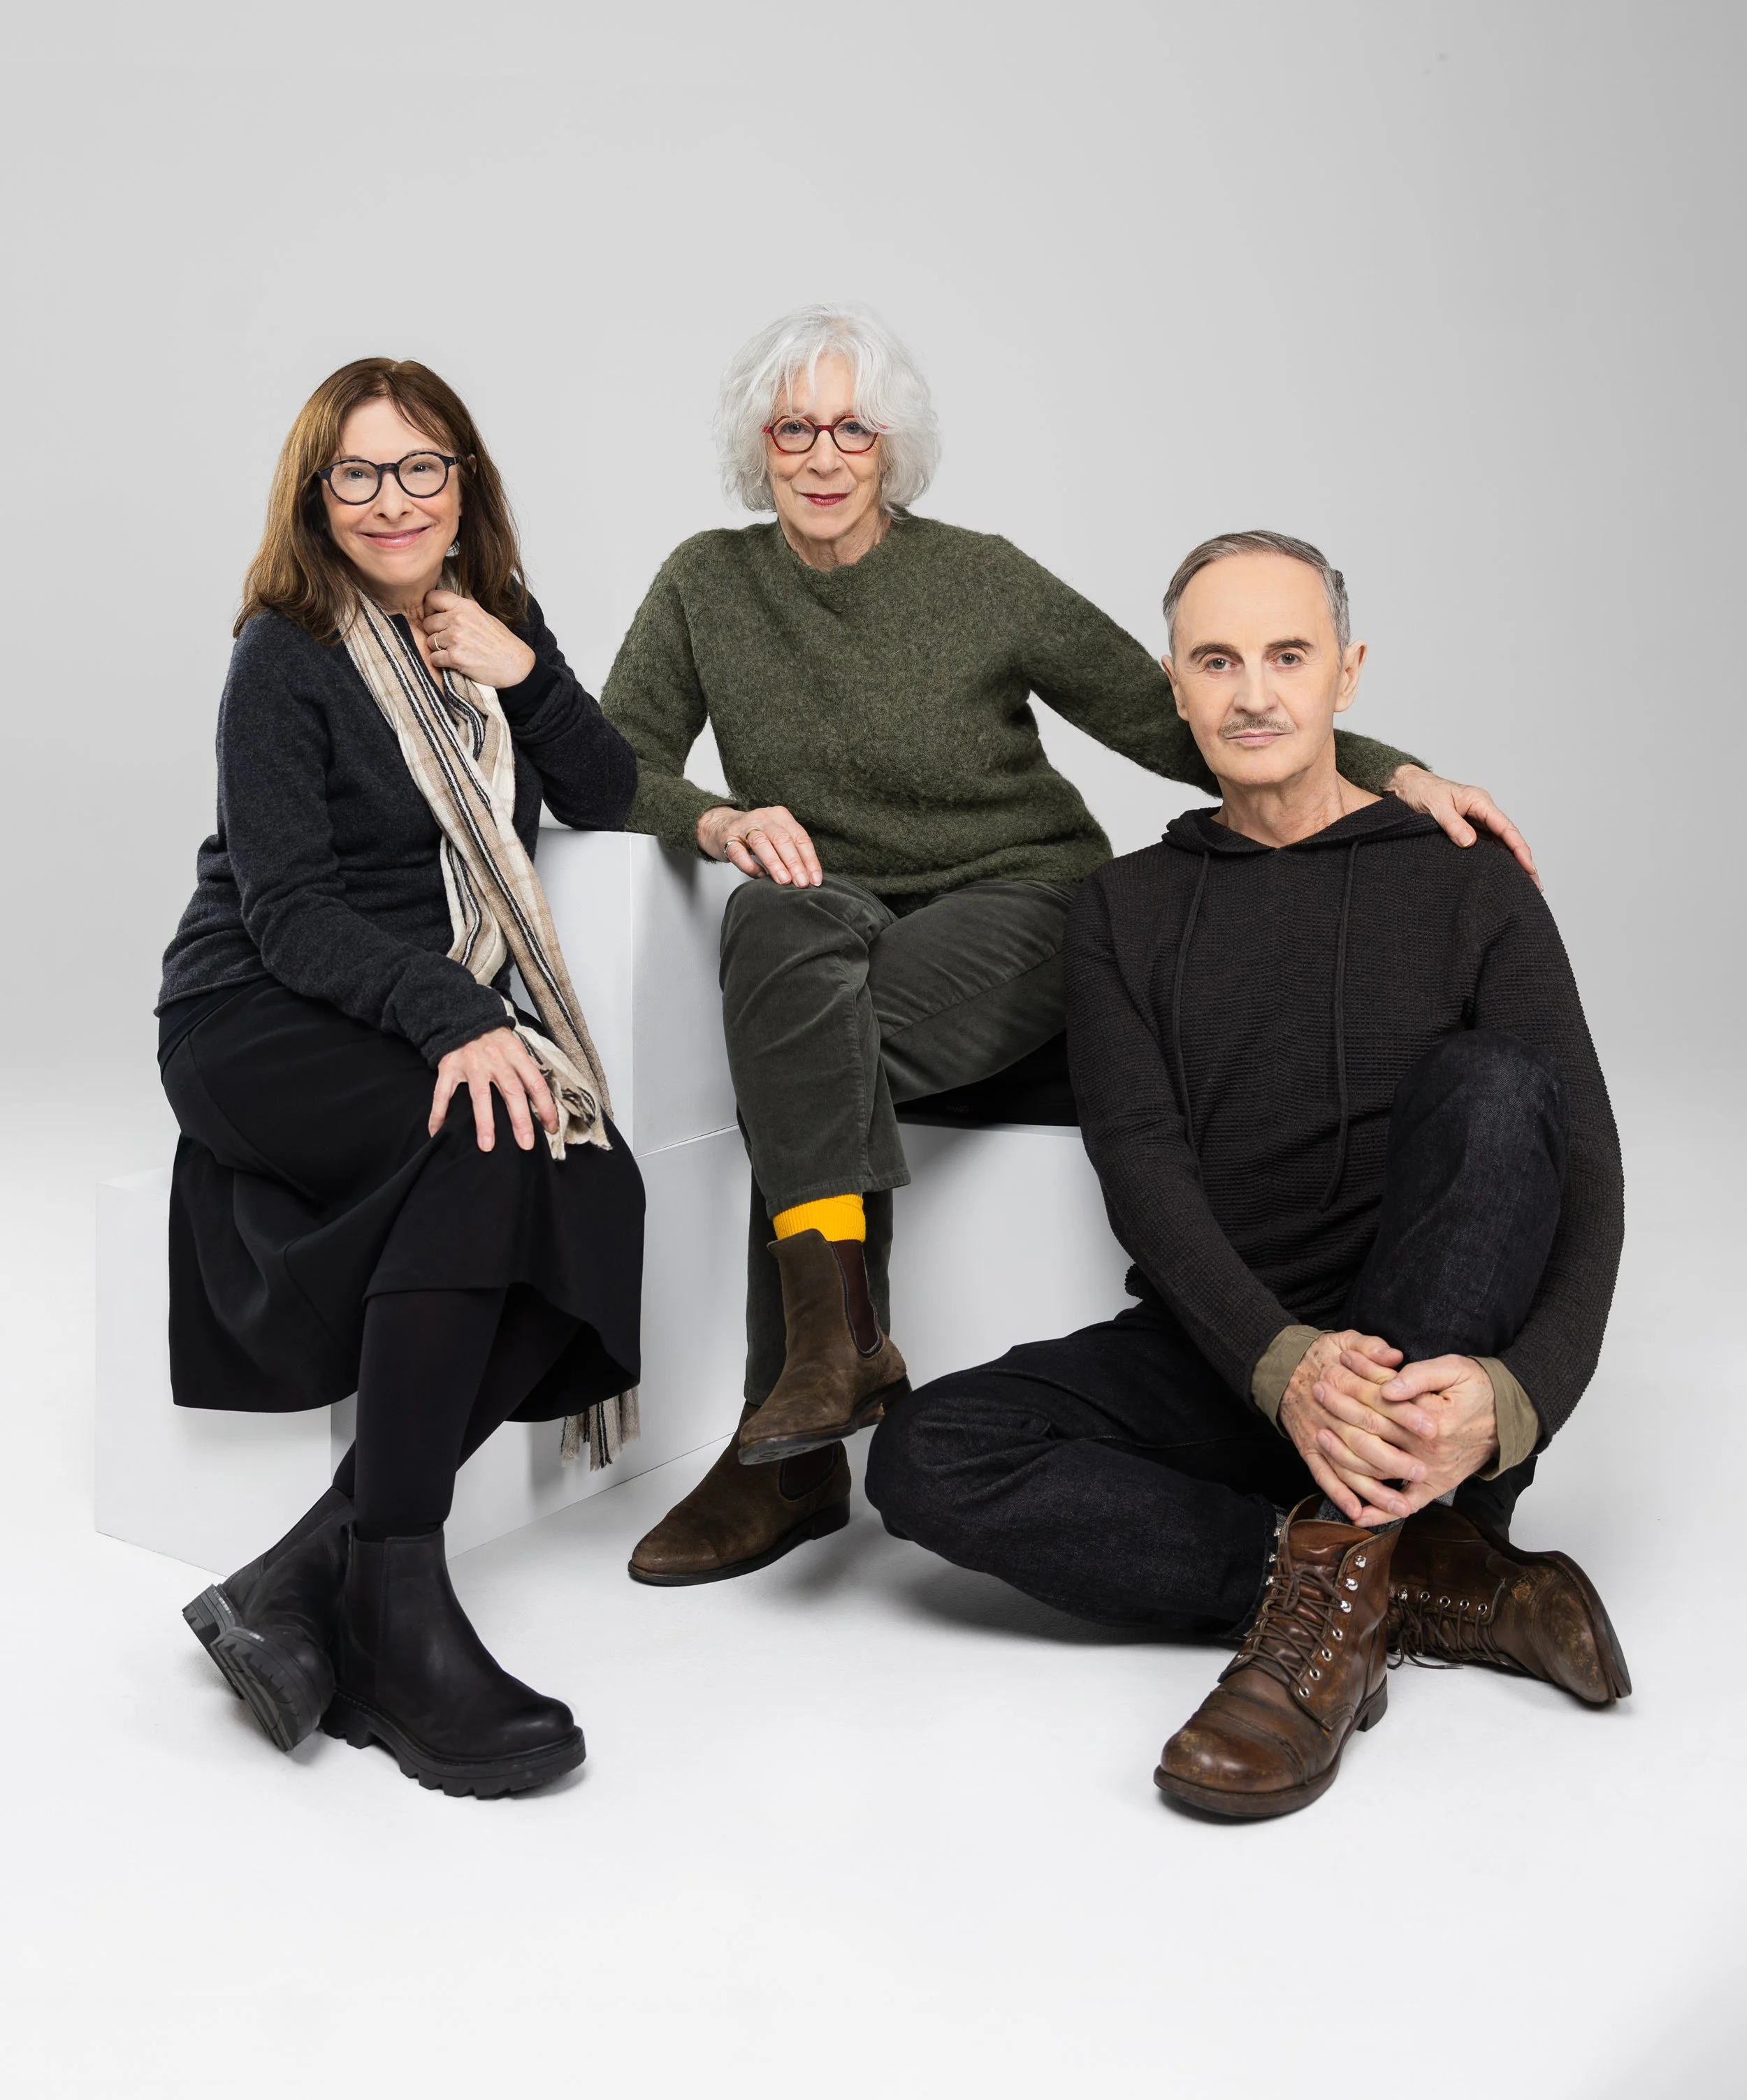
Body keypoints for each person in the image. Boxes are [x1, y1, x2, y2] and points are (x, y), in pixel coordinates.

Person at [602, 305, 1539, 1589]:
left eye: (853, 428)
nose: (823, 455)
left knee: (801, 1051)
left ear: (893, 446)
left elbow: (1175, 715)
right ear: (756, 445)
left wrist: (1397, 770)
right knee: (773, 920)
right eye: (794, 428)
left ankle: (797, 1439)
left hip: (1023, 901)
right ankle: (832, 1368)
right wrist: (713, 815)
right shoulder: (708, 582)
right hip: (842, 913)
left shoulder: (977, 576)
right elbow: (616, 764)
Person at [865, 530, 1628, 1818]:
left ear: (1348, 674)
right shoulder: (1123, 908)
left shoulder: (1467, 883)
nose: (1254, 693)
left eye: (1288, 655)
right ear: (1173, 685)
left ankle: (1322, 1618)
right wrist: (1280, 1362)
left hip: (1426, 1363)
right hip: (1233, 1348)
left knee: (1500, 1088)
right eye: (1216, 661)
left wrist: (1518, 1395)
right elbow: (1143, 1171)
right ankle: (1405, 1577)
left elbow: (1587, 1170)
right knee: (925, 1456)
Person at [160, 358, 642, 1798]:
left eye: (421, 467)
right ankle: (398, 1588)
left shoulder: (490, 624)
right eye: (358, 474)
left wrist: (527, 671)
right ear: (317, 497)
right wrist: (457, 1016)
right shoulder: (285, 654)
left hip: (402, 1003)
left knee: (595, 1178)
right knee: (494, 1138)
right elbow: (289, 906)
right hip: (258, 1006)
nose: (393, 500)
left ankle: (313, 1571)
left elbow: (606, 794)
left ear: (465, 484)